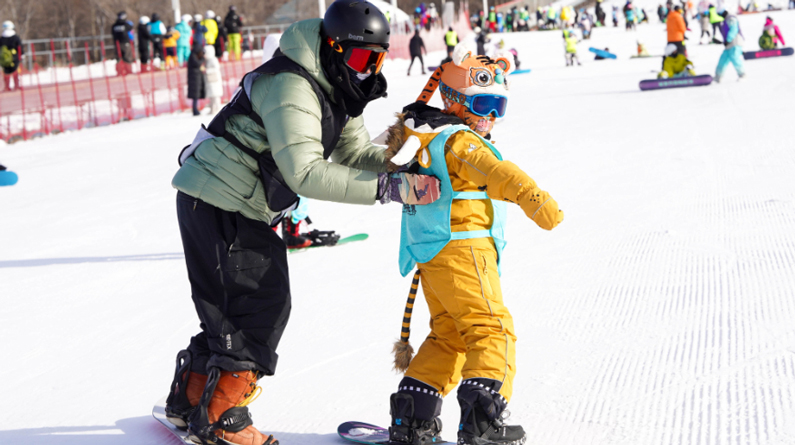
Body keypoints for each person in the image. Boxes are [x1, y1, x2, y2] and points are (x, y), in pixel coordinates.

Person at [163, 2, 442, 445]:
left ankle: (192, 397)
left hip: (232, 200)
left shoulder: (337, 84)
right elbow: (306, 172)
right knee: (261, 304)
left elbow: (352, 155)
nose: (367, 70)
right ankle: (221, 417)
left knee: (234, 305)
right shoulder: (292, 85)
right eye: (358, 59)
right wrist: (388, 191)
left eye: (377, 59)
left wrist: (405, 161)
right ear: (333, 49)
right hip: (216, 199)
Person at [382, 42, 563, 445]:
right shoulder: (461, 141)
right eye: (483, 105)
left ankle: (413, 416)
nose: (491, 118)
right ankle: (483, 421)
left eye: (500, 107)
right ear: (455, 100)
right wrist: (536, 200)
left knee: (450, 335)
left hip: (434, 255)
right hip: (465, 249)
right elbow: (496, 171)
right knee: (490, 329)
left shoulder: (427, 135)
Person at [715, 10, 745, 82]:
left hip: (735, 42)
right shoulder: (725, 20)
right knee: (723, 59)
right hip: (729, 44)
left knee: (735, 58)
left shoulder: (731, 19)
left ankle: (742, 74)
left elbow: (734, 29)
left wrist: (728, 39)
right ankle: (718, 76)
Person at [0, 20, 22, 91]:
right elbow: (19, 46)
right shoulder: (15, 37)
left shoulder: (2, 38)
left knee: (6, 72)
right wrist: (22, 54)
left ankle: (7, 87)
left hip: (4, 58)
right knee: (15, 70)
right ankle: (16, 86)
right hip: (14, 57)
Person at [186, 47, 206, 115]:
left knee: (196, 96)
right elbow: (197, 64)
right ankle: (195, 110)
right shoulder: (193, 57)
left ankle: (196, 109)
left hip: (195, 79)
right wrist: (202, 59)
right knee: (195, 96)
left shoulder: (193, 56)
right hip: (194, 80)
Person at [204, 45, 223, 114]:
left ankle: (217, 109)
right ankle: (212, 109)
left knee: (216, 97)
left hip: (214, 81)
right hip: (210, 81)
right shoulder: (208, 60)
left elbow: (216, 68)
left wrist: (207, 70)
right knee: (212, 97)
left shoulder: (213, 59)